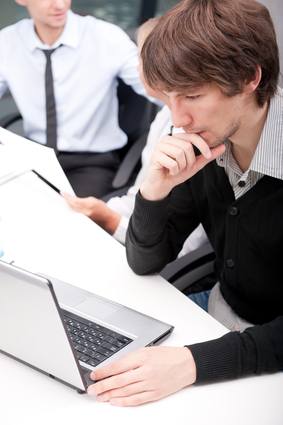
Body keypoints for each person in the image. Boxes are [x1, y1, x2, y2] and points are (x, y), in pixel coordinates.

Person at [84, 0, 283, 406]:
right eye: (169, 97)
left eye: (191, 94)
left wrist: (191, 363)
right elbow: (146, 261)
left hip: (264, 352)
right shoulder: (204, 142)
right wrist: (154, 190)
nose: (179, 117)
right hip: (212, 316)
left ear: (249, 78)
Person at [62, 17, 208, 251]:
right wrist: (103, 209)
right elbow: (138, 196)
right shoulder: (163, 117)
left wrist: (109, 220)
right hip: (139, 233)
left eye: (139, 60)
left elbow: (187, 245)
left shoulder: (200, 133)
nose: (137, 68)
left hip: (161, 258)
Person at [0, 0, 155, 198]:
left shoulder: (105, 37)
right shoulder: (7, 42)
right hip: (34, 157)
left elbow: (158, 89)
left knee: (65, 222)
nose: (60, 5)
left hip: (92, 163)